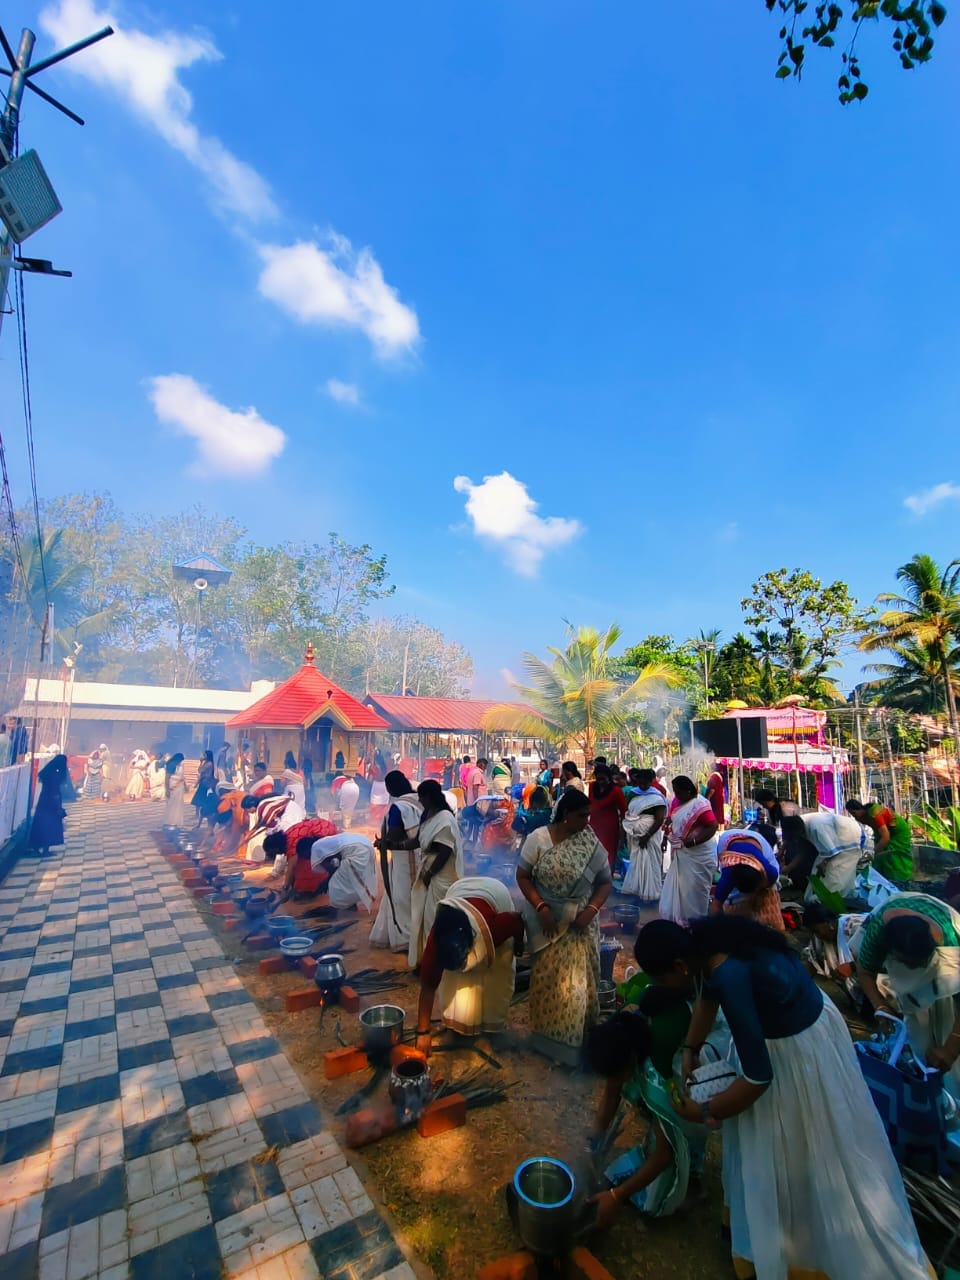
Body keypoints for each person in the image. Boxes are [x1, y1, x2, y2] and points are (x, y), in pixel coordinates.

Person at [673, 915, 934, 1280]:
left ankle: (802, 1247)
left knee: (797, 1145)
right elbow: (706, 997)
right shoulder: (717, 943)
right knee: (793, 1141)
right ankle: (774, 1231)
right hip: (807, 1032)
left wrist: (703, 1110)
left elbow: (758, 1078)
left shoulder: (730, 975)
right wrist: (690, 1047)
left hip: (793, 1055)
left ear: (680, 966)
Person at [585, 920, 709, 1227]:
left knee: (653, 1199)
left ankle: (693, 1175)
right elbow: (611, 1091)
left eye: (619, 1075)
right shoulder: (624, 1024)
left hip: (696, 1065)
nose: (614, 1083)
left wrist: (615, 1198)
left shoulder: (663, 1071)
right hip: (662, 1047)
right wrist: (592, 1144)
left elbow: (664, 1154)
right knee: (615, 1174)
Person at [517, 789, 613, 1064]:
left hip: (580, 927)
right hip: (546, 925)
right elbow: (523, 877)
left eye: (588, 815)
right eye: (582, 816)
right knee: (549, 983)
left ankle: (574, 1047)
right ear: (565, 815)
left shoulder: (588, 841)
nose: (587, 821)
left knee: (578, 988)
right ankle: (547, 1042)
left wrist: (591, 911)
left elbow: (604, 882)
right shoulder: (538, 839)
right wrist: (541, 908)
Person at [855, 892, 960, 1097]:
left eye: (920, 964)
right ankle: (925, 1083)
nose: (915, 967)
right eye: (909, 963)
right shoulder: (878, 933)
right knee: (918, 1030)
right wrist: (881, 1006)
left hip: (945, 950)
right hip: (895, 919)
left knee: (947, 1022)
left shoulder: (949, 940)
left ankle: (952, 1093)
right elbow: (865, 971)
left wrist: (950, 1048)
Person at [415, 877, 524, 1054]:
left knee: (498, 974)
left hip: (495, 892)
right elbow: (428, 985)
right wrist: (422, 1032)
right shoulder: (437, 941)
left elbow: (517, 920)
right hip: (459, 890)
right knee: (453, 981)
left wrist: (518, 944)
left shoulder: (494, 928)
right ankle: (458, 1025)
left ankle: (492, 1028)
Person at [408, 780, 464, 969]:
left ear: (429, 797)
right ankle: (425, 959)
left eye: (422, 797)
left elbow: (445, 851)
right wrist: (393, 844)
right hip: (428, 871)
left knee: (435, 917)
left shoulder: (445, 819)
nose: (420, 801)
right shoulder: (427, 814)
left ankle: (437, 962)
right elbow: (417, 841)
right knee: (423, 916)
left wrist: (430, 873)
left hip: (442, 875)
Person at [370, 772, 423, 953]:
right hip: (423, 855)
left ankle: (406, 938)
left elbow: (394, 834)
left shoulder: (398, 807)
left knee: (401, 898)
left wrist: (382, 843)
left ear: (391, 788)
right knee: (417, 896)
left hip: (404, 859)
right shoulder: (420, 799)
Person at [659, 776, 718, 925]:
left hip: (699, 854)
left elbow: (712, 826)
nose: (676, 795)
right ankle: (679, 919)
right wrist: (665, 838)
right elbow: (671, 819)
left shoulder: (700, 805)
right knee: (680, 886)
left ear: (688, 791)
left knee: (695, 889)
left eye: (679, 792)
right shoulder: (676, 801)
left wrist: (693, 841)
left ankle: (696, 921)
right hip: (682, 852)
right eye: (675, 792)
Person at [713, 829, 784, 931]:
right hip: (728, 839)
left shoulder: (770, 872)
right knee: (734, 905)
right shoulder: (728, 876)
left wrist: (758, 896)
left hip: (757, 841)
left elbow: (768, 884)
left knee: (768, 899)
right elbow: (716, 905)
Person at [264, 817, 340, 896]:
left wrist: (285, 887)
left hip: (326, 833)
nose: (277, 854)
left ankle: (316, 888)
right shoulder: (287, 835)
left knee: (306, 867)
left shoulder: (291, 843)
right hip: (324, 827)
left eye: (274, 852)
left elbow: (291, 867)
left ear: (276, 848)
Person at [798, 810, 864, 902]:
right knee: (836, 874)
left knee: (835, 874)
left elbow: (831, 851)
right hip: (845, 835)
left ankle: (833, 899)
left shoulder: (816, 828)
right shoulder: (804, 822)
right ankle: (837, 897)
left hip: (849, 838)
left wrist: (824, 863)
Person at [621, 769, 667, 900]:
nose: (642, 786)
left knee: (651, 862)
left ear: (650, 782)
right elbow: (628, 812)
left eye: (645, 783)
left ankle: (651, 894)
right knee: (635, 861)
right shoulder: (632, 794)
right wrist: (625, 833)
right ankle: (636, 890)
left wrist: (647, 836)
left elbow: (659, 819)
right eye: (640, 783)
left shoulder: (657, 797)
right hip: (634, 833)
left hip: (651, 835)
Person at [847, 799, 913, 883]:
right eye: (852, 814)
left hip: (897, 832)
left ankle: (900, 880)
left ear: (860, 809)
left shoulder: (874, 813)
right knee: (881, 858)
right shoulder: (863, 816)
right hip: (883, 832)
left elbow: (885, 837)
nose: (854, 817)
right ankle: (882, 878)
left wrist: (874, 853)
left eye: (854, 813)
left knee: (894, 855)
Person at [309, 832, 379, 911]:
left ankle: (346, 911)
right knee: (349, 882)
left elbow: (334, 865)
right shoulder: (322, 843)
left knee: (337, 888)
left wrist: (327, 882)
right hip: (364, 844)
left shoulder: (318, 850)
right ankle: (350, 905)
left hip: (357, 852)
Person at [588, 765, 627, 870]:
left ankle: (607, 882)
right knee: (592, 856)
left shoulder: (616, 791)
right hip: (593, 827)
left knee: (607, 857)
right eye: (598, 779)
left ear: (609, 777)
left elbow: (624, 812)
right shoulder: (592, 786)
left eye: (603, 779)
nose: (600, 782)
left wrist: (623, 834)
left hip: (610, 830)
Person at [30, 754, 68, 856]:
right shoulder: (55, 775)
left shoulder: (48, 772)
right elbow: (54, 792)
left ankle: (38, 846)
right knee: (49, 825)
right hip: (51, 803)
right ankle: (45, 849)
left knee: (41, 824)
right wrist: (58, 807)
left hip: (43, 801)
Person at [191, 750, 217, 825]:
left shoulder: (209, 764)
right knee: (198, 798)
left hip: (206, 782)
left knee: (200, 798)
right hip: (203, 781)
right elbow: (200, 771)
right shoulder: (206, 763)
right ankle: (197, 814)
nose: (203, 756)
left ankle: (201, 814)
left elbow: (201, 771)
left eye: (204, 755)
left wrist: (201, 762)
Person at [164, 753, 186, 826]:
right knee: (171, 803)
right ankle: (170, 820)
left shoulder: (180, 765)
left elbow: (182, 777)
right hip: (173, 786)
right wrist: (167, 790)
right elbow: (167, 778)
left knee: (178, 804)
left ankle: (176, 820)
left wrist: (185, 786)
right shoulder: (171, 764)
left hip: (180, 787)